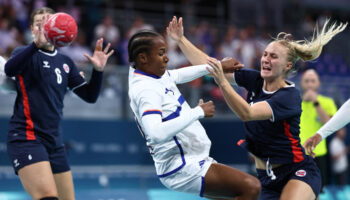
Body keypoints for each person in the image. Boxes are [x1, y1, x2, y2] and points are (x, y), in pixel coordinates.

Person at [167, 16, 346, 200]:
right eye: (265, 54)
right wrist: (181, 39)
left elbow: (247, 113)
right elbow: (209, 65)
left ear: (288, 65)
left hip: (297, 170)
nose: (266, 59)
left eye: (273, 56)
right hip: (266, 178)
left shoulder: (288, 97)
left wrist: (221, 81)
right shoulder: (255, 80)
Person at [128, 30, 261, 199]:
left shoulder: (151, 74)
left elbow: (175, 75)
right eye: (161, 53)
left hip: (190, 159)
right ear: (143, 58)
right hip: (181, 167)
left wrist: (216, 66)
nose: (167, 58)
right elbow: (156, 133)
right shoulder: (145, 90)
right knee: (251, 187)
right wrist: (197, 112)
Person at [4, 7, 114, 200]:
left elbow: (90, 96)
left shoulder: (66, 62)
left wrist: (97, 71)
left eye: (48, 23)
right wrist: (36, 45)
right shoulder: (25, 53)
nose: (45, 27)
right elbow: (10, 69)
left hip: (54, 142)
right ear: (32, 29)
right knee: (48, 197)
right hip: (27, 137)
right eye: (40, 24)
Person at [299, 68, 338, 190]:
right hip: (297, 154)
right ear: (302, 83)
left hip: (318, 154)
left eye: (312, 81)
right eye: (307, 81)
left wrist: (315, 102)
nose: (310, 84)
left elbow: (329, 124)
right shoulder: (294, 102)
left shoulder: (327, 102)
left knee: (317, 192)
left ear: (318, 83)